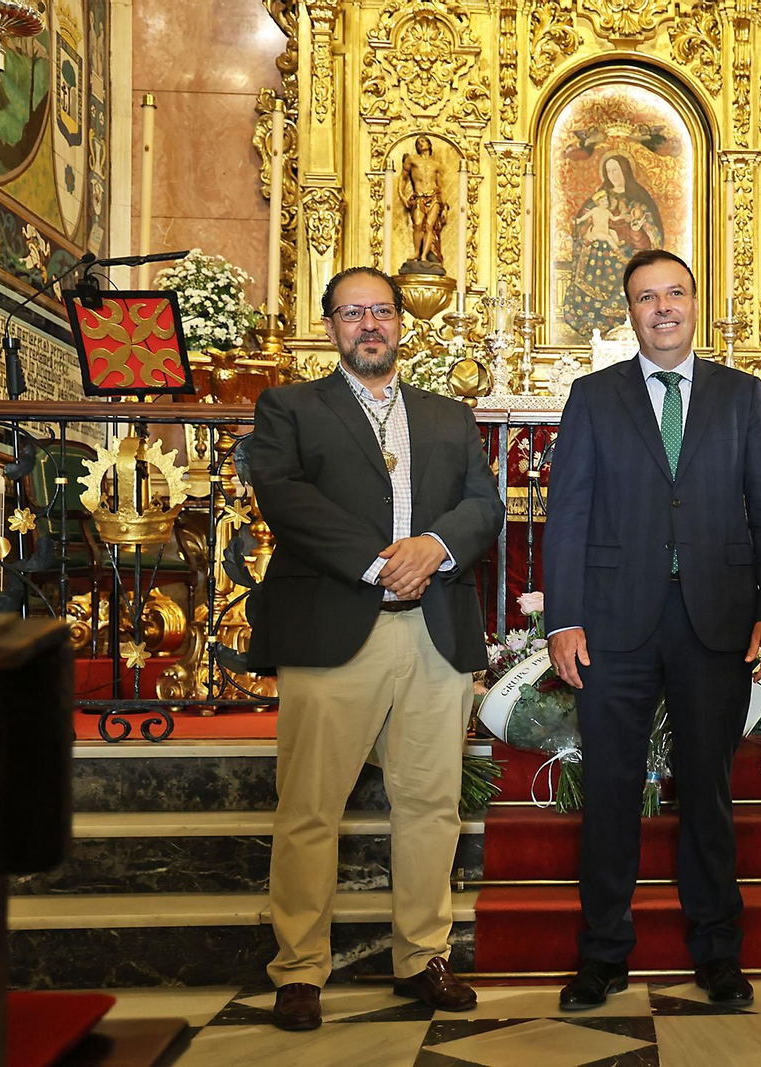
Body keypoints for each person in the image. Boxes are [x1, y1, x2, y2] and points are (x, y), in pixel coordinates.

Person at [246, 266, 505, 1031]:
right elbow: (286, 498)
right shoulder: (290, 407)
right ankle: (298, 968)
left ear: (401, 323)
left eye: (382, 311)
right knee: (309, 808)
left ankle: (423, 956)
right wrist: (380, 562)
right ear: (329, 325)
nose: (370, 324)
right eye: (353, 312)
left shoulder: (449, 415)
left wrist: (433, 545)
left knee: (430, 805)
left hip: (435, 629)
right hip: (335, 625)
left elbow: (483, 504)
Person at [544, 248, 761, 1010]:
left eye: (675, 293)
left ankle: (719, 951)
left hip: (716, 620)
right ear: (628, 311)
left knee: (709, 792)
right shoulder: (593, 396)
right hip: (615, 623)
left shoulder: (741, 393)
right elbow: (569, 516)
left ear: (695, 301)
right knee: (612, 791)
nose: (662, 308)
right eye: (646, 297)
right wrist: (564, 619)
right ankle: (602, 954)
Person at [562, 153, 666, 340]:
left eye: (616, 170)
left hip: (628, 256)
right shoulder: (599, 200)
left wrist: (635, 231)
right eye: (608, 171)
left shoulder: (637, 202)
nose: (612, 175)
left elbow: (650, 240)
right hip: (598, 254)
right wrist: (588, 233)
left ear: (625, 171)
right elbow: (582, 226)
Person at [399, 136, 448, 269]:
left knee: (429, 225)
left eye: (423, 141)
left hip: (434, 197)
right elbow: (403, 178)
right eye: (418, 142)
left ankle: (424, 256)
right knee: (418, 223)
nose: (420, 143)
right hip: (419, 196)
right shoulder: (412, 160)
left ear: (429, 144)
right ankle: (416, 251)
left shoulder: (436, 165)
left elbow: (441, 186)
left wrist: (445, 208)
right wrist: (402, 195)